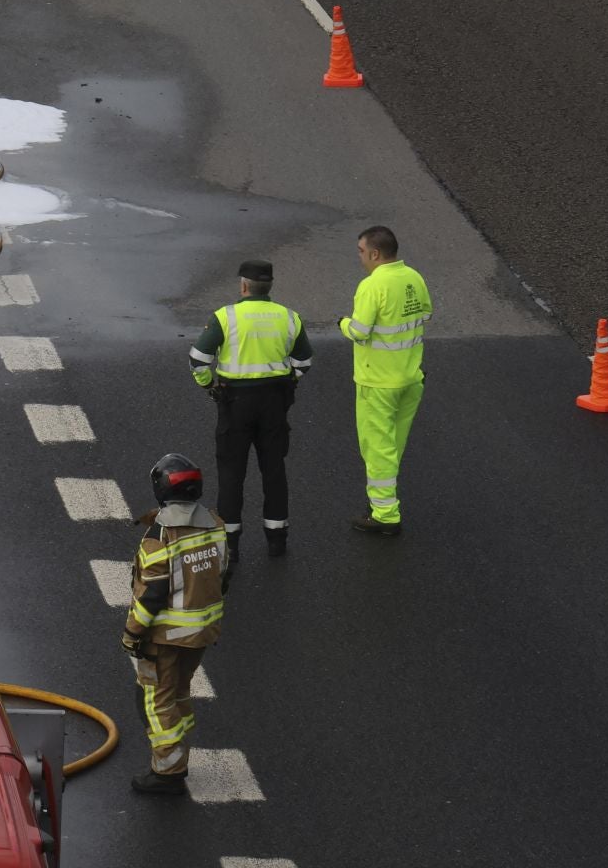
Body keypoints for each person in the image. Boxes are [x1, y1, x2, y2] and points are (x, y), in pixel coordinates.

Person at [123, 453, 230, 797]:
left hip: (165, 637)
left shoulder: (160, 534)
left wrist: (132, 633)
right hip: (201, 633)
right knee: (179, 691)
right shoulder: (215, 523)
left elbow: (152, 594)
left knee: (156, 699)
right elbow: (224, 575)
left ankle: (168, 772)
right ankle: (178, 751)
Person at [189, 260, 313, 560]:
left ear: (243, 285)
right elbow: (303, 362)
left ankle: (230, 543)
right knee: (274, 469)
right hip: (274, 402)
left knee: (232, 472)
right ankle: (276, 539)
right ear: (269, 286)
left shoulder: (225, 317)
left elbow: (198, 359)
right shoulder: (289, 317)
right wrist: (287, 385)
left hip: (235, 403)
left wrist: (209, 387)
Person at [340, 225, 432, 536]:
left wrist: (342, 323)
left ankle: (384, 514)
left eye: (361, 252)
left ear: (375, 253)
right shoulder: (414, 278)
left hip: (378, 382)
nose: (360, 257)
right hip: (410, 378)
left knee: (377, 447)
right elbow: (424, 316)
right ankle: (382, 500)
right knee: (394, 444)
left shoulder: (372, 285)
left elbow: (359, 330)